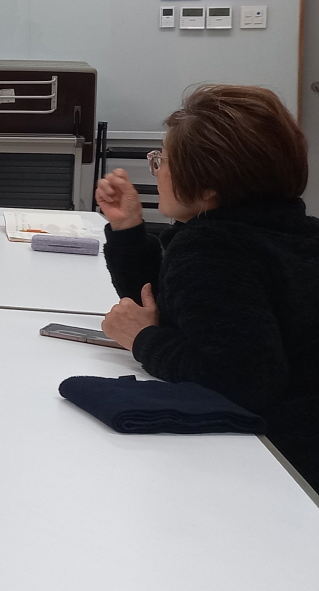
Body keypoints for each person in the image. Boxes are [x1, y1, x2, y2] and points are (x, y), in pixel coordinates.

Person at [95, 84, 319, 487]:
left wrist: (143, 340)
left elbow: (239, 379)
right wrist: (127, 229)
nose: (157, 170)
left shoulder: (213, 248)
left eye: (163, 160)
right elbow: (179, 307)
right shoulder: (294, 232)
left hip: (282, 472)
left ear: (208, 184)